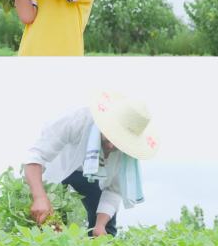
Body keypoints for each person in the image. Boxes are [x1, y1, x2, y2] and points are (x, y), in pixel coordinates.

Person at [23, 92, 158, 236]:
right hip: (58, 170)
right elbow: (36, 156)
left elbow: (113, 190)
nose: (111, 146)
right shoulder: (77, 119)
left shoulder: (127, 155)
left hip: (95, 178)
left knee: (105, 230)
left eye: (119, 142)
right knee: (49, 224)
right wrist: (39, 197)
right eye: (111, 136)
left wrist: (100, 225)